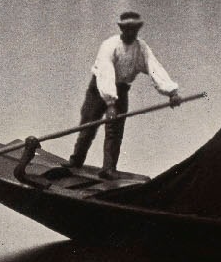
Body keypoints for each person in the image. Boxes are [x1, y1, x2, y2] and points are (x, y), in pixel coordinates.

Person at [68, 11, 182, 178]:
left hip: (121, 90)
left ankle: (108, 169)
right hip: (99, 89)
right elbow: (105, 73)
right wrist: (110, 103)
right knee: (89, 126)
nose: (131, 32)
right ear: (122, 29)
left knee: (115, 131)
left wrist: (172, 92)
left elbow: (154, 68)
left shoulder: (141, 48)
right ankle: (76, 161)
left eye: (134, 29)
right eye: (127, 28)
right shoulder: (110, 45)